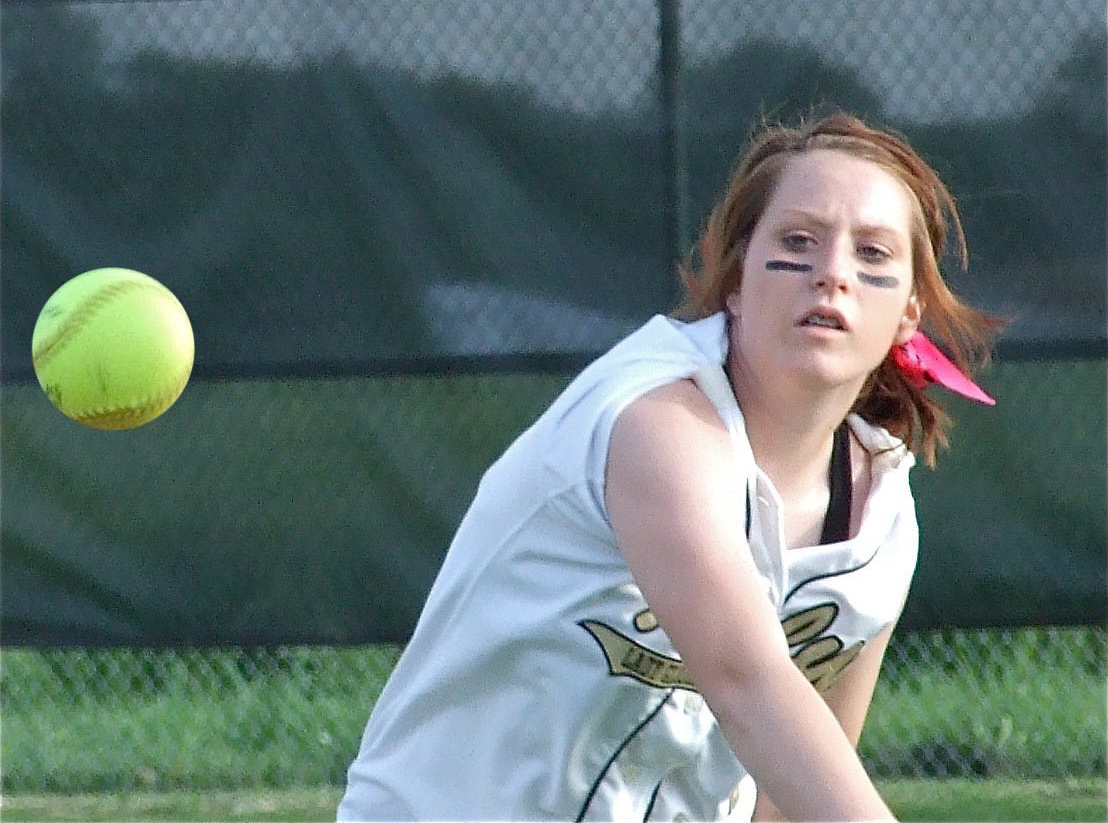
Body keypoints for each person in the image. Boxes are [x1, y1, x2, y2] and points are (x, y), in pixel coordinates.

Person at [338, 112, 1003, 822]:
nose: (832, 273)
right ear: (737, 281)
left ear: (909, 315)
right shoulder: (659, 423)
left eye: (873, 254)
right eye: (797, 241)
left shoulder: (879, 517)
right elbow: (748, 682)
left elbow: (798, 789)